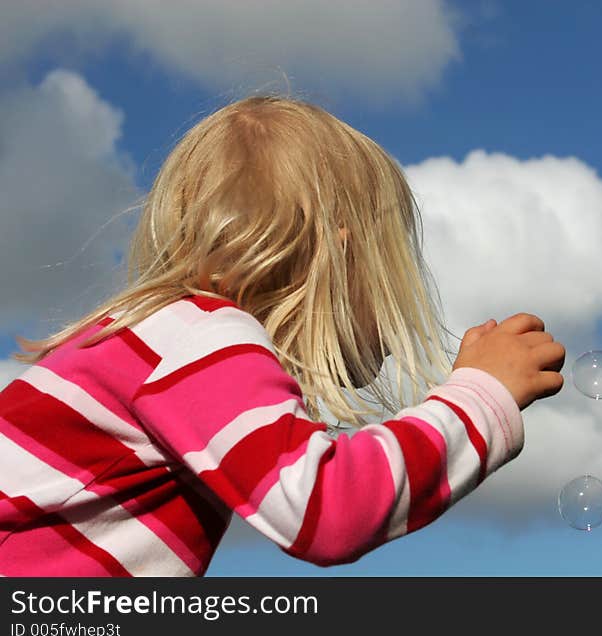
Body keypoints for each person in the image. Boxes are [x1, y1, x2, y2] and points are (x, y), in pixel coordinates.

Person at [0, 95, 565, 576]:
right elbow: (328, 509)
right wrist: (481, 396)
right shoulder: (198, 334)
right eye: (389, 273)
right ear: (340, 259)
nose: (392, 333)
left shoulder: (161, 339)